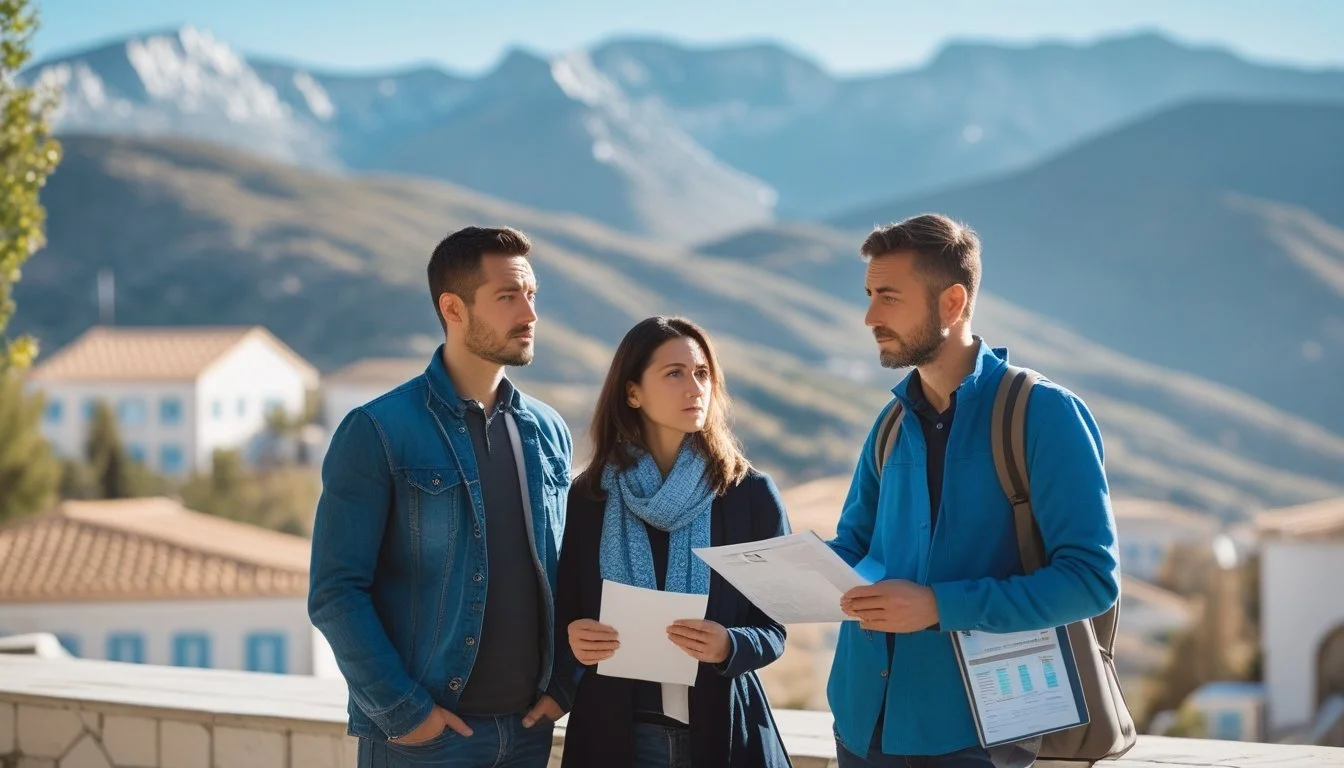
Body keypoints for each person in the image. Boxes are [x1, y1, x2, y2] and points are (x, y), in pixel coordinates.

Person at [825, 214, 1121, 767]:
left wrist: (939, 606)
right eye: (869, 296)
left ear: (952, 302)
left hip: (976, 736)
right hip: (862, 723)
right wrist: (786, 572)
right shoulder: (891, 423)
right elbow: (855, 547)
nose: (870, 317)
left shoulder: (1044, 414)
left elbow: (1090, 580)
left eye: (889, 298)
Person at [308, 226, 574, 768]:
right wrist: (406, 715)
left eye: (531, 295)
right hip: (426, 741)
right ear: (453, 308)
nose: (529, 313)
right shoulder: (378, 430)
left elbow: (566, 569)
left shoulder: (549, 430)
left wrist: (564, 685)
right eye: (508, 296)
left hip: (528, 732)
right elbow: (336, 592)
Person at [551, 316, 794, 768]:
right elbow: (564, 612)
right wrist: (574, 637)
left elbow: (774, 628)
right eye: (675, 373)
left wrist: (730, 644)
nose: (695, 388)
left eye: (702, 373)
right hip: (613, 736)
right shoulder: (588, 498)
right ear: (632, 392)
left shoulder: (749, 496)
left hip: (722, 735)